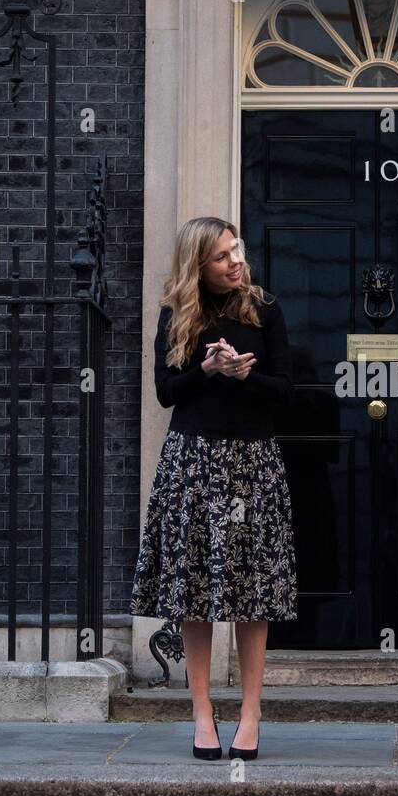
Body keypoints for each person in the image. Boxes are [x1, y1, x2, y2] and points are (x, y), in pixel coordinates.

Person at [131, 216, 297, 761]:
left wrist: (245, 376)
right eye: (223, 255)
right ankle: (202, 712)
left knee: (252, 594)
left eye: (238, 250)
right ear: (198, 264)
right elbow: (164, 392)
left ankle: (250, 715)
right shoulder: (177, 313)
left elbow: (288, 392)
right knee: (194, 591)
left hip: (252, 462)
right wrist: (207, 369)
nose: (236, 261)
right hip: (193, 460)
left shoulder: (264, 309)